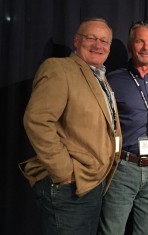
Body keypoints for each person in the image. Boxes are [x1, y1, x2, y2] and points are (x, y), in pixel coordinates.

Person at [19, 18, 122, 235]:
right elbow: (37, 120)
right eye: (91, 38)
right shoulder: (59, 68)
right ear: (76, 40)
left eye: (104, 40)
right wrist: (65, 172)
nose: (98, 45)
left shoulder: (99, 76)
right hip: (70, 186)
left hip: (92, 183)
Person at [99, 21, 148, 235]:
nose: (146, 47)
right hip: (123, 167)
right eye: (140, 41)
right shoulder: (113, 80)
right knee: (111, 230)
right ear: (131, 45)